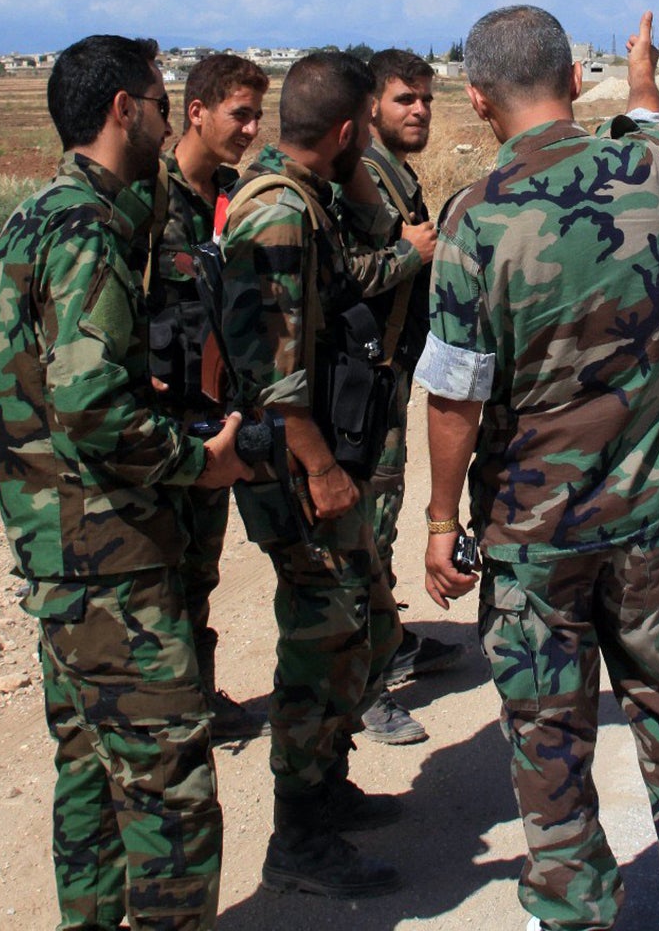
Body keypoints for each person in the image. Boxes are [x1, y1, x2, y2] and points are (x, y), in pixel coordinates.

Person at [419, 9, 659, 931]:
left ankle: (573, 911)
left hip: (535, 529)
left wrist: (436, 521)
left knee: (550, 733)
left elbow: (454, 399)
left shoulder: (474, 220)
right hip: (652, 508)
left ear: (477, 98)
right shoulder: (642, 168)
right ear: (576, 80)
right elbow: (651, 113)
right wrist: (643, 69)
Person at [0, 34, 249, 931]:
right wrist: (197, 461)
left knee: (92, 772)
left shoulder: (37, 214)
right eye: (162, 99)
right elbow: (89, 401)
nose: (170, 115)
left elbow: (52, 378)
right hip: (109, 553)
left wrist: (156, 395)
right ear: (123, 110)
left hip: (62, 546)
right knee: (169, 784)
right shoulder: (91, 227)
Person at [217, 50, 411, 899]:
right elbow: (278, 373)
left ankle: (324, 790)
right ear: (343, 129)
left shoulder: (307, 194)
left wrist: (350, 167)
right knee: (319, 643)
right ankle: (299, 834)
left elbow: (370, 243)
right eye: (361, 127)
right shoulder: (282, 215)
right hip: (301, 465)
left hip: (319, 456)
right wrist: (325, 469)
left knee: (357, 627)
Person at [143, 52, 270, 742]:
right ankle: (170, 705)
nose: (251, 128)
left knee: (199, 568)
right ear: (196, 111)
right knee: (157, 574)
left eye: (258, 114)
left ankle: (198, 692)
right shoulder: (148, 199)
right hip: (157, 424)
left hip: (212, 416)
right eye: (238, 113)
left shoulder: (233, 197)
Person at [349, 48, 463, 747]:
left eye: (424, 98)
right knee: (367, 531)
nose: (419, 110)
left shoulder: (390, 175)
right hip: (364, 384)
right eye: (403, 100)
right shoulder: (361, 178)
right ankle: (364, 688)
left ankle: (387, 642)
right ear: (371, 108)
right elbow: (335, 280)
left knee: (380, 521)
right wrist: (410, 256)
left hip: (390, 377)